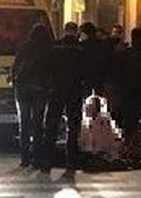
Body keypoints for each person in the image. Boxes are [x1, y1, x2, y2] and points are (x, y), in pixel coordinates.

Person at [10, 23, 55, 169]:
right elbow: (51, 71)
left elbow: (15, 67)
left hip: (23, 90)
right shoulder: (48, 49)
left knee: (24, 123)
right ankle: (37, 158)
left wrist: (15, 81)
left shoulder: (24, 47)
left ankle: (24, 158)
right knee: (38, 124)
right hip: (40, 90)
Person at [48, 22, 86, 175]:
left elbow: (49, 67)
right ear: (76, 32)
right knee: (73, 126)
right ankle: (71, 162)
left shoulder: (55, 47)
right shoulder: (81, 48)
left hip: (57, 89)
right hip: (74, 90)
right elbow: (85, 70)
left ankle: (47, 161)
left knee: (52, 124)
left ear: (64, 31)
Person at [111, 27, 141, 144]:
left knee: (129, 113)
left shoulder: (125, 54)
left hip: (128, 88)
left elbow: (118, 71)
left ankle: (130, 135)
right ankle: (140, 134)